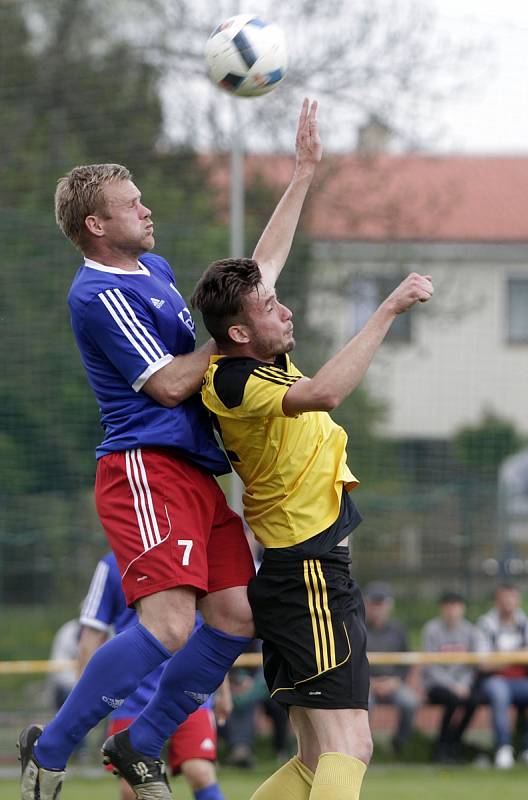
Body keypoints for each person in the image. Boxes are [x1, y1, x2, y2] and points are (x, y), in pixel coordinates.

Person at [18, 99, 321, 800]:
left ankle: (142, 742)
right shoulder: (98, 291)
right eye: (132, 204)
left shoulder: (151, 271)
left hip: (194, 475)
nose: (146, 210)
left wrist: (302, 174)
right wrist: (233, 334)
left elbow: (256, 276)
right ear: (97, 225)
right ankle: (54, 745)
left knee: (236, 616)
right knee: (167, 622)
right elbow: (166, 386)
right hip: (145, 471)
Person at [190, 132, 433, 798]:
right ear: (238, 332)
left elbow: (265, 262)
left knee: (311, 756)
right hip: (309, 576)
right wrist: (385, 308)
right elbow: (323, 392)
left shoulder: (251, 350)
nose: (283, 307)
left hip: (297, 574)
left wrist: (300, 174)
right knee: (350, 744)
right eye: (269, 308)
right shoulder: (239, 382)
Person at [78, 551, 229, 800]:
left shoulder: (191, 553)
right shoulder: (111, 564)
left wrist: (222, 691)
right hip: (131, 695)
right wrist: (83, 700)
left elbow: (212, 632)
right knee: (133, 788)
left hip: (189, 691)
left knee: (200, 772)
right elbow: (92, 632)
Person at [476, 582, 528, 768]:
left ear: (518, 600)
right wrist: (516, 656)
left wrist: (502, 658)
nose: (508, 602)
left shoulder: (527, 624)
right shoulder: (485, 625)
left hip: (522, 680)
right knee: (500, 694)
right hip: (495, 680)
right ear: (497, 601)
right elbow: (483, 664)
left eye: (512, 598)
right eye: (504, 598)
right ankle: (503, 748)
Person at [421, 591, 481, 763]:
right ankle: (441, 746)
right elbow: (431, 666)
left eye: (456, 605)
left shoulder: (470, 631)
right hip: (436, 684)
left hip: (462, 684)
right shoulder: (431, 629)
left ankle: (456, 742)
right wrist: (452, 685)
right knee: (453, 700)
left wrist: (463, 684)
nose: (452, 610)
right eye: (448, 605)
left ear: (463, 608)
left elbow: (471, 665)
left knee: (474, 700)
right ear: (442, 608)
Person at [364, 582, 420, 755]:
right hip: (366, 684)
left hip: (393, 682)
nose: (378, 608)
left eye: (382, 603)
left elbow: (406, 660)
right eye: (374, 603)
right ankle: (363, 749)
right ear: (367, 605)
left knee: (411, 702)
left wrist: (396, 681)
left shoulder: (398, 630)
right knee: (362, 705)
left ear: (389, 605)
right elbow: (352, 662)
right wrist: (370, 682)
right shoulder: (357, 628)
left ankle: (399, 744)